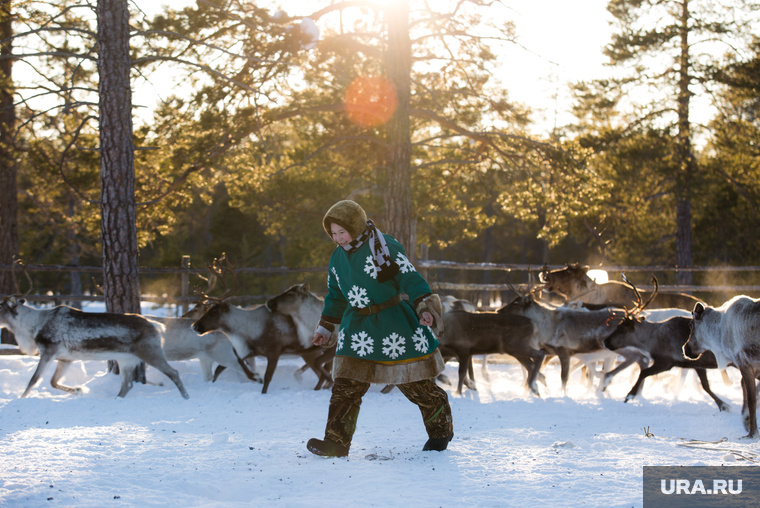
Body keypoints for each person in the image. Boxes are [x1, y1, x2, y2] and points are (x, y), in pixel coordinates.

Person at [308, 199, 453, 458]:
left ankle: (440, 431)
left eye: (343, 231)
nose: (338, 238)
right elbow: (336, 295)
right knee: (345, 386)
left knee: (417, 387)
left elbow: (410, 277)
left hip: (392, 325)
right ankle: (336, 442)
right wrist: (326, 327)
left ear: (356, 225)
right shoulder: (337, 257)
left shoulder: (384, 246)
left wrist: (425, 307)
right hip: (357, 328)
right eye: (333, 233)